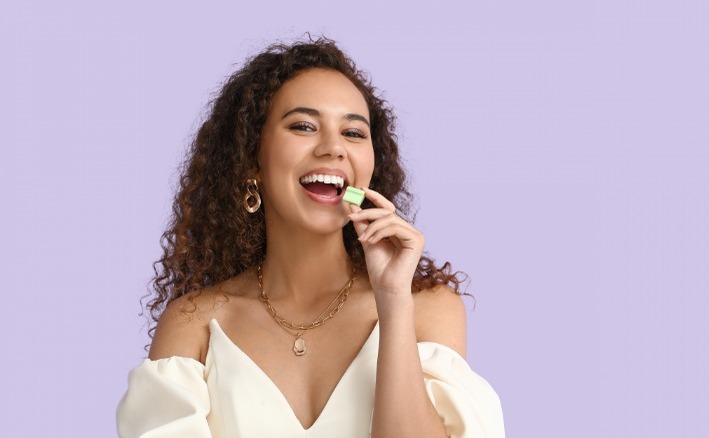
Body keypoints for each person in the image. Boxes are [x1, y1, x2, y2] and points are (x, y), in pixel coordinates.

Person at [117, 36, 504, 437]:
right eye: (303, 126)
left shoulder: (426, 309)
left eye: (354, 133)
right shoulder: (195, 324)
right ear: (251, 160)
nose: (334, 148)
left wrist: (393, 302)